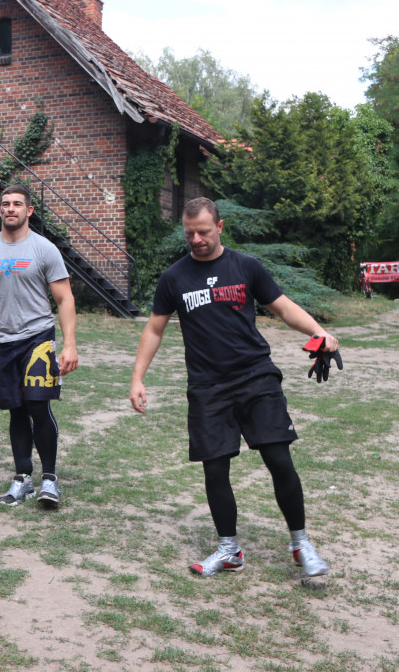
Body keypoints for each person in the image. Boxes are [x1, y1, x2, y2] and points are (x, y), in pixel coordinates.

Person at [129, 197, 334, 578]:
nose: (197, 239)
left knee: (278, 459)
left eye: (204, 232)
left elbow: (284, 307)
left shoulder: (245, 266)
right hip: (207, 386)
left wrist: (319, 332)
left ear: (220, 228)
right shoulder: (174, 277)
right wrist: (138, 378)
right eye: (190, 233)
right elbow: (155, 327)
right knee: (215, 470)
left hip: (256, 377)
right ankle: (229, 550)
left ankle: (301, 543)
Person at [0, 185, 79, 507]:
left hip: (38, 337)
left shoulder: (44, 249)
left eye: (17, 204)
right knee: (16, 410)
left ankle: (50, 480)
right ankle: (23, 478)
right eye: (5, 204)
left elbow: (64, 298)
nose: (10, 208)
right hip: (2, 341)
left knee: (38, 406)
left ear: (29, 211)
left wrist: (69, 344)